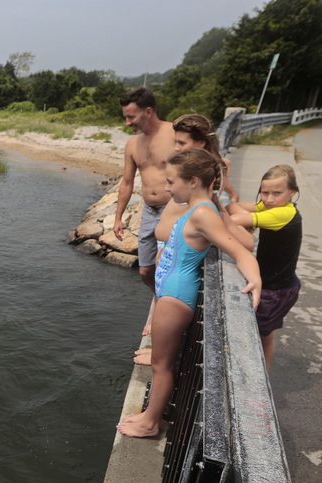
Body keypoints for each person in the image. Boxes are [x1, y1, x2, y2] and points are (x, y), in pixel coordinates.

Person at [117, 149, 261, 438]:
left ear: (193, 181)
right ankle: (150, 414)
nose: (167, 188)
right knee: (161, 359)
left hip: (175, 295)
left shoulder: (205, 213)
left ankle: (151, 422)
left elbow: (239, 249)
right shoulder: (197, 209)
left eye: (172, 182)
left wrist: (255, 279)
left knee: (162, 366)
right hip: (170, 291)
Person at [134, 114, 253, 353]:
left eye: (181, 143)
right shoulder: (192, 188)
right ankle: (159, 336)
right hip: (175, 254)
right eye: (175, 142)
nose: (175, 148)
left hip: (180, 262)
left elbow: (243, 244)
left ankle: (161, 347)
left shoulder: (195, 195)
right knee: (157, 282)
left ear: (199, 143)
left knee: (166, 345)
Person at [226, 164, 302, 370]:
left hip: (276, 289)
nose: (268, 199)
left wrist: (244, 220)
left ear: (292, 192)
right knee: (265, 335)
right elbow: (235, 207)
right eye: (264, 192)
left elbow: (235, 217)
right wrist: (242, 215)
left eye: (277, 193)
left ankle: (258, 377)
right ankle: (263, 372)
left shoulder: (283, 213)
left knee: (258, 336)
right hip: (278, 284)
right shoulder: (274, 207)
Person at [115, 87, 175, 292]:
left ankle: (165, 306)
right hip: (149, 211)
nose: (127, 122)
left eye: (131, 117)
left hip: (173, 209)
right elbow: (127, 183)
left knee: (166, 267)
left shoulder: (175, 133)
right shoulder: (132, 144)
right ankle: (159, 297)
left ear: (148, 111)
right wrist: (118, 217)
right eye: (125, 117)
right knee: (145, 271)